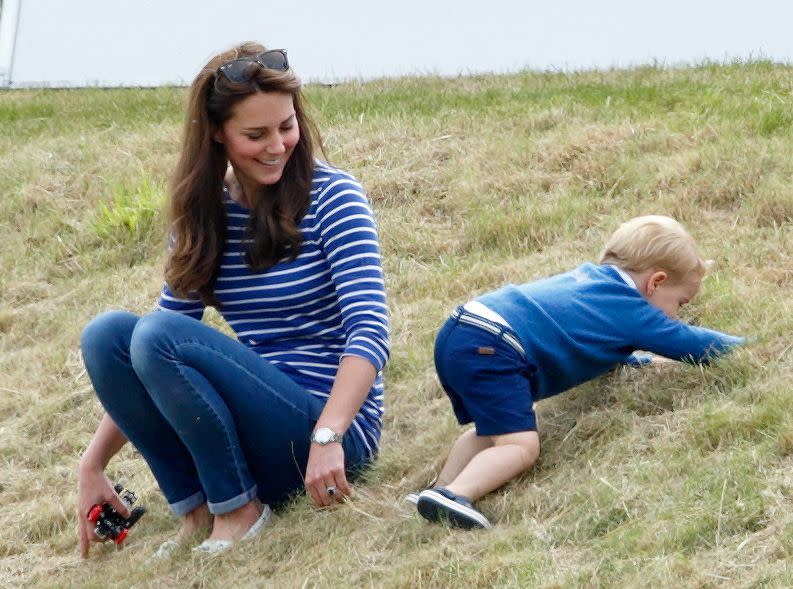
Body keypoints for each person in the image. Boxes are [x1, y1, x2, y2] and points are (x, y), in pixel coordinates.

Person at [78, 42, 389, 557]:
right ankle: (198, 510)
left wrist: (329, 437)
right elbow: (143, 355)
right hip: (253, 431)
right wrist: (92, 464)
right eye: (256, 134)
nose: (277, 145)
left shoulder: (336, 198)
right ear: (218, 134)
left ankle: (239, 510)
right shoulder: (206, 213)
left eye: (286, 126)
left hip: (327, 437)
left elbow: (370, 334)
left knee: (155, 336)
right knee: (108, 336)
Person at [414, 215, 744, 529]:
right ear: (656, 282)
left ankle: (439, 490)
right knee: (521, 446)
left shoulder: (592, 283)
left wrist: (639, 362)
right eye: (680, 303)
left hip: (462, 331)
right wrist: (751, 346)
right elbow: (691, 343)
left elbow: (594, 343)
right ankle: (456, 495)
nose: (675, 315)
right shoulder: (631, 307)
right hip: (494, 345)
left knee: (493, 431)